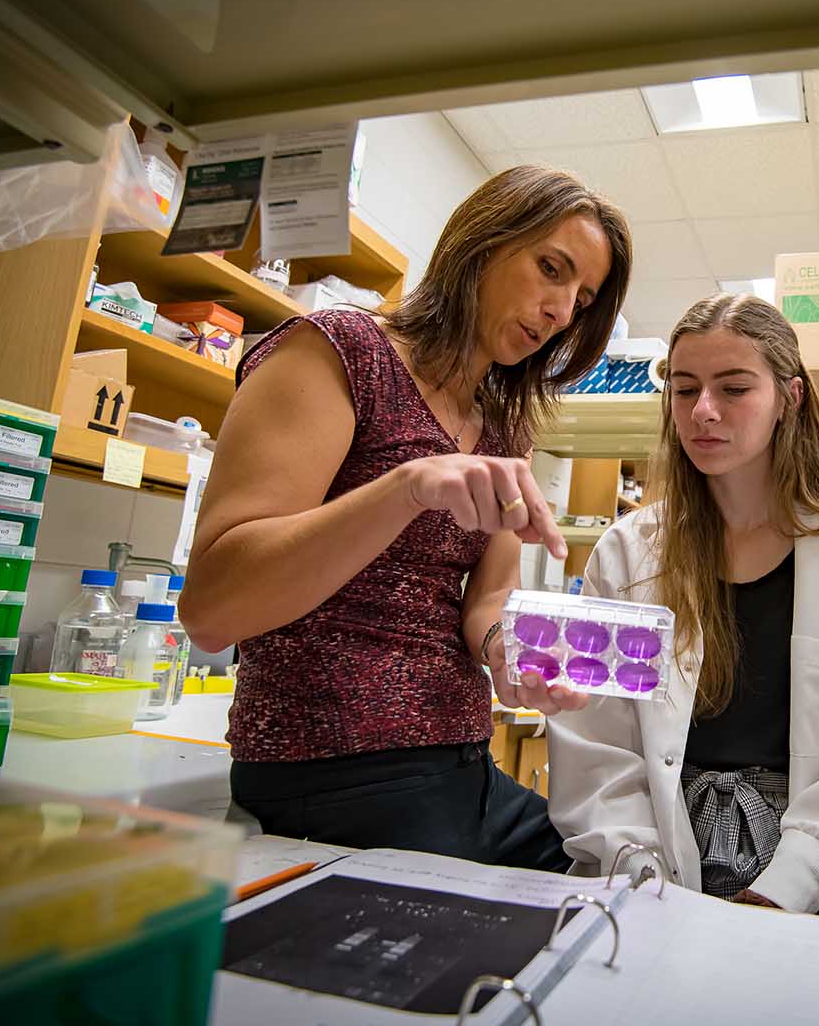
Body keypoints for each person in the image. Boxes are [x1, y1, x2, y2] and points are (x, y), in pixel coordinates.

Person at [179, 165, 631, 868]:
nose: (560, 311)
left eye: (581, 297)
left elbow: (488, 597)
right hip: (335, 776)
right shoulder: (340, 351)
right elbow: (212, 608)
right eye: (550, 269)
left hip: (462, 766)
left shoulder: (503, 427)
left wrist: (504, 652)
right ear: (482, 242)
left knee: (624, 881)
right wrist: (407, 487)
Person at [547, 293, 819, 919]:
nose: (703, 412)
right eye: (685, 390)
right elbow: (595, 746)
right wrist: (641, 869)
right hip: (643, 883)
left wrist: (791, 883)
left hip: (815, 889)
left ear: (788, 399)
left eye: (733, 388)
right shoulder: (627, 554)